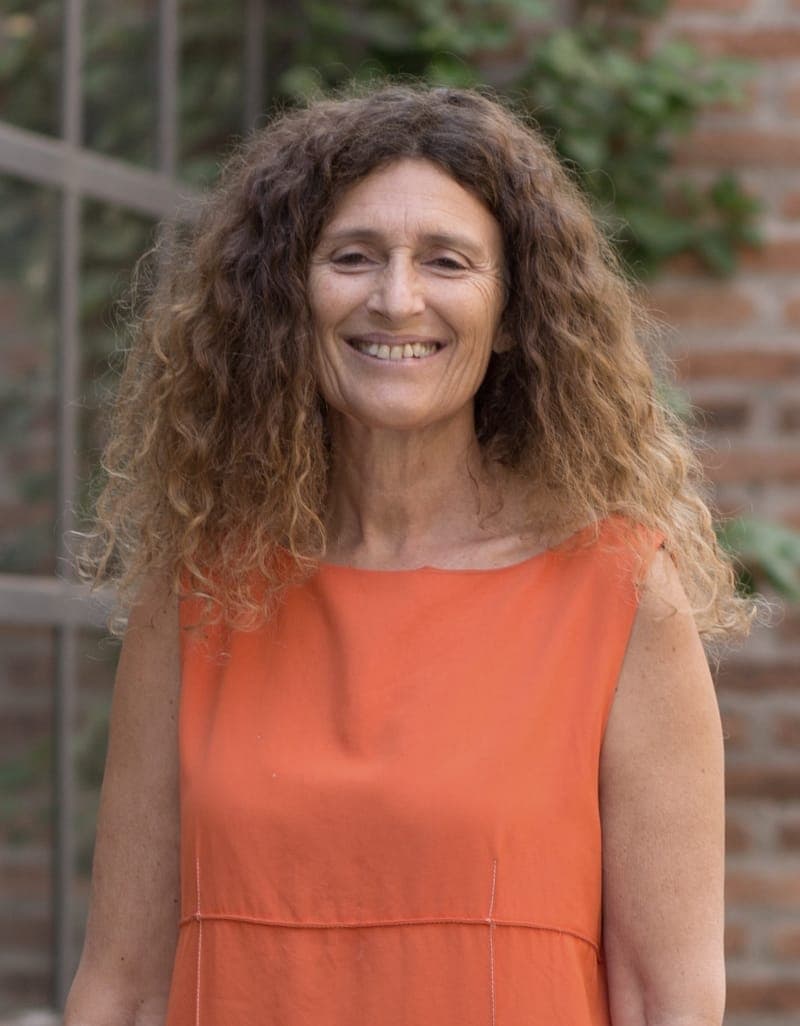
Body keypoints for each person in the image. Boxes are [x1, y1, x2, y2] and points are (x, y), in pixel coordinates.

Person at [65, 83, 753, 1025]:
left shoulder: (619, 590)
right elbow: (124, 985)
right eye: (352, 257)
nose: (397, 300)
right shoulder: (200, 592)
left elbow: (665, 999)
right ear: (287, 298)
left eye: (446, 261)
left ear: (512, 312)